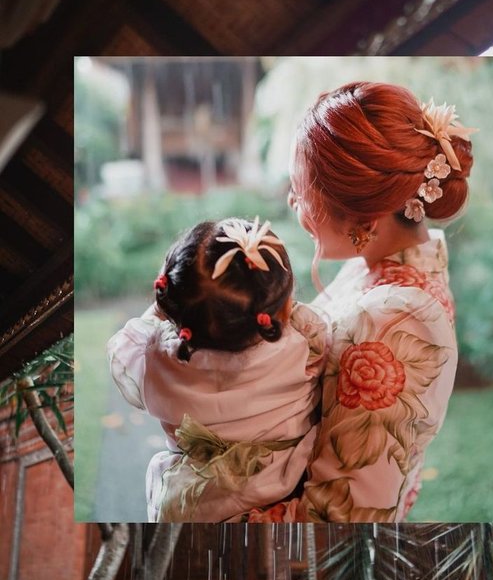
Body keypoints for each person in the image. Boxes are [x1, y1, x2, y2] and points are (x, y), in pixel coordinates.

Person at [250, 81, 475, 523]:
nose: (294, 203)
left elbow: (344, 515)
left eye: (301, 192)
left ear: (366, 219)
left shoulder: (396, 319)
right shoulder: (375, 266)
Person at [107, 217, 328, 522]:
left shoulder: (153, 359)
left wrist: (161, 308)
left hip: (200, 502)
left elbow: (123, 346)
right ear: (285, 308)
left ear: (169, 301)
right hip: (283, 485)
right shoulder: (304, 341)